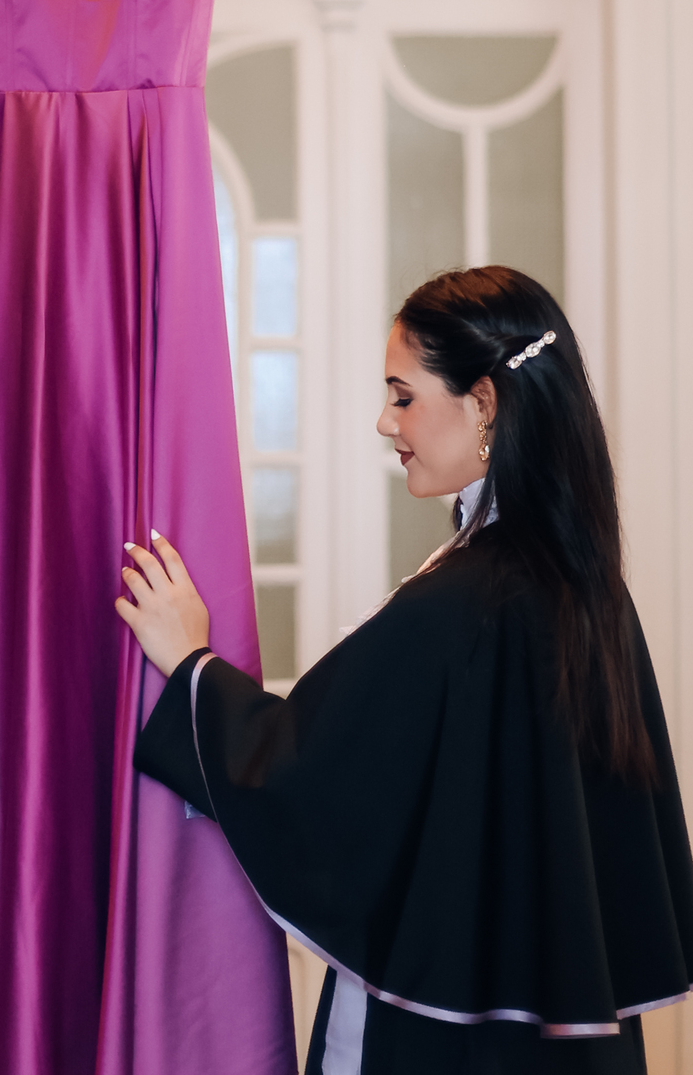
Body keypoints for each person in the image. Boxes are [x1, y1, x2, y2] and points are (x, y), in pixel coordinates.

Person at [118, 267, 693, 1074]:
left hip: (446, 1042)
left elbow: (306, 775)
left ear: (484, 404)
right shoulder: (584, 583)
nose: (385, 422)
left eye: (403, 396)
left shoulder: (468, 600)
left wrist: (190, 664)